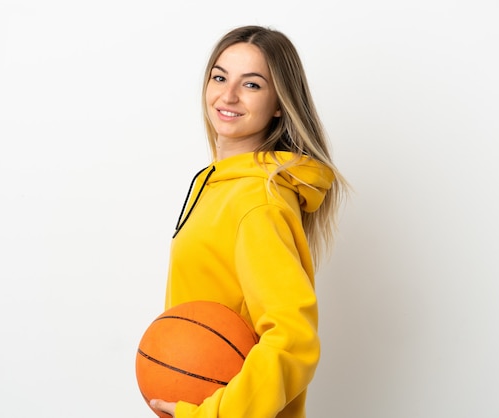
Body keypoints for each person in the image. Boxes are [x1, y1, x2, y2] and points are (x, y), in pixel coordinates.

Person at [149, 25, 349, 418]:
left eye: (252, 85)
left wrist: (213, 414)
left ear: (279, 103)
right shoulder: (219, 185)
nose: (228, 95)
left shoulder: (258, 200)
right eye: (220, 77)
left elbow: (294, 341)